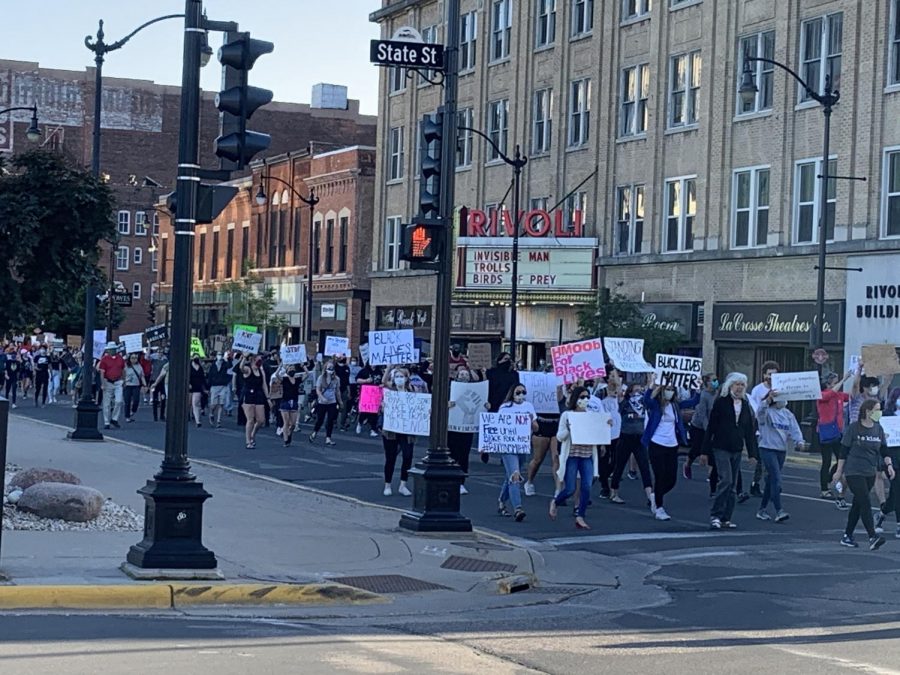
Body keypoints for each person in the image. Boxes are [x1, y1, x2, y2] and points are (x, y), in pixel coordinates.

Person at [833, 399, 893, 550]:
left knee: (857, 505)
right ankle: (872, 536)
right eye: (877, 409)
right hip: (854, 471)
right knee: (865, 500)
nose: (879, 412)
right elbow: (844, 451)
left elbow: (884, 450)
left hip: (869, 471)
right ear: (868, 411)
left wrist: (889, 465)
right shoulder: (854, 428)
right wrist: (839, 471)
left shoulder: (878, 429)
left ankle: (847, 535)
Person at [703, 372, 758, 530]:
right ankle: (716, 514)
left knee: (732, 485)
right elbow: (711, 427)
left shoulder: (746, 405)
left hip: (736, 449)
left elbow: (749, 432)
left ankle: (726, 518)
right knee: (725, 480)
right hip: (721, 447)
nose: (739, 387)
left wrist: (752, 454)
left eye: (742, 385)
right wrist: (704, 451)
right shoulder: (721, 403)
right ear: (730, 386)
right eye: (737, 384)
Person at [642, 374, 696, 521]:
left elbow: (693, 401)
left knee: (671, 479)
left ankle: (654, 496)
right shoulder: (655, 405)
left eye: (672, 389)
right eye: (667, 389)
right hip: (656, 444)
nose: (670, 391)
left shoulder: (675, 405)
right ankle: (659, 507)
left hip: (672, 445)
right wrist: (653, 386)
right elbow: (646, 400)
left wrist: (697, 386)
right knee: (660, 475)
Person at [550, 386, 600, 530]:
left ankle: (580, 516)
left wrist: (606, 426)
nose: (585, 400)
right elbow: (559, 436)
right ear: (575, 399)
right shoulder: (567, 415)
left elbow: (598, 432)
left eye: (587, 397)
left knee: (587, 487)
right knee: (570, 488)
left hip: (587, 455)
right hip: (571, 455)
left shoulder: (591, 415)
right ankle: (555, 502)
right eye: (582, 397)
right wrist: (569, 429)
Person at [756, 392, 806, 523]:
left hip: (781, 451)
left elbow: (794, 429)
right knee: (776, 478)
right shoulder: (767, 412)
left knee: (771, 480)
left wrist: (799, 441)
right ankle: (779, 510)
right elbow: (760, 412)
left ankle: (762, 509)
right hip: (767, 448)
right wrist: (767, 400)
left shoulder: (788, 414)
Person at [494, 383, 537, 522]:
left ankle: (501, 501)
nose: (521, 395)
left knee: (510, 476)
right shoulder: (505, 408)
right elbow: (498, 426)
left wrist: (531, 421)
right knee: (515, 475)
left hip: (523, 446)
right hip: (508, 446)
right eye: (518, 392)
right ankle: (518, 508)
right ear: (512, 393)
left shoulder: (529, 406)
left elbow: (536, 428)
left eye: (523, 392)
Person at [610, 381, 654, 507]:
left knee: (645, 467)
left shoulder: (643, 403)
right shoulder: (624, 403)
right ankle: (614, 492)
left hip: (639, 438)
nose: (637, 394)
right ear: (629, 392)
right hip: (625, 437)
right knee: (619, 465)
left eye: (639, 391)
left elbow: (650, 395)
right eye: (635, 391)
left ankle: (650, 496)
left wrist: (652, 380)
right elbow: (619, 395)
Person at [816, 370, 853, 505]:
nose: (837, 384)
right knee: (826, 461)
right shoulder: (822, 395)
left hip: (837, 432)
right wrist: (844, 379)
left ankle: (829, 478)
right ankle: (824, 489)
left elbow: (850, 396)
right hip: (825, 431)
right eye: (835, 381)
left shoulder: (838, 395)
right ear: (828, 383)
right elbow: (830, 394)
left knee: (842, 459)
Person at [447, 366, 485, 495]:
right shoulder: (449, 388)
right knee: (451, 454)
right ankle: (450, 480)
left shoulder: (476, 390)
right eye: (461, 374)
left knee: (464, 455)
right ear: (456, 375)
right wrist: (447, 404)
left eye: (466, 374)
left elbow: (482, 403)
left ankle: (461, 482)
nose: (463, 376)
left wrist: (486, 405)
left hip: (467, 428)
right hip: (452, 427)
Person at [747, 361, 779, 496]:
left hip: (775, 428)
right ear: (764, 374)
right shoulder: (757, 390)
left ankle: (768, 485)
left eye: (774, 375)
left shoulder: (780, 387)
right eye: (769, 374)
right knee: (763, 459)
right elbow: (756, 408)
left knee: (772, 460)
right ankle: (757, 484)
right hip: (761, 429)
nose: (771, 377)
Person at [381, 368, 415, 497]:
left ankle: (403, 485)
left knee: (407, 456)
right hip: (391, 430)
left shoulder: (412, 392)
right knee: (391, 457)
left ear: (406, 378)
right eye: (397, 376)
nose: (399, 379)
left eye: (402, 376)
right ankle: (387, 484)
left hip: (407, 430)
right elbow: (384, 383)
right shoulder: (390, 393)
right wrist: (384, 407)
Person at [684, 374, 718, 480]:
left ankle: (711, 475)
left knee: (712, 451)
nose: (716, 382)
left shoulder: (717, 394)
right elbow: (702, 415)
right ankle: (687, 465)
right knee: (697, 449)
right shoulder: (703, 395)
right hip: (698, 426)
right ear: (707, 382)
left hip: (712, 425)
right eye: (713, 380)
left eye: (716, 380)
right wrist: (708, 431)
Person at [310, 359, 342, 446]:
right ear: (325, 368)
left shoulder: (336, 379)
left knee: (330, 420)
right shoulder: (321, 378)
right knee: (320, 419)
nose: (330, 369)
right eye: (329, 367)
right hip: (322, 402)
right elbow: (318, 390)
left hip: (332, 402)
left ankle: (328, 438)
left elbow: (337, 391)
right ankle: (314, 432)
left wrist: (340, 401)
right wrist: (322, 398)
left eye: (332, 368)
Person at [240, 356, 268, 449]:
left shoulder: (261, 371)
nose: (260, 361)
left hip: (258, 395)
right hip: (248, 395)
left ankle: (253, 434)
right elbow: (241, 368)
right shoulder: (248, 369)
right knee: (250, 419)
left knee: (261, 420)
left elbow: (264, 384)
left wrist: (268, 397)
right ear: (253, 360)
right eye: (258, 360)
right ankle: (248, 441)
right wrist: (244, 357)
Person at [98, 342, 125, 430]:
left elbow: (123, 369)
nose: (112, 351)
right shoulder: (104, 359)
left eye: (113, 349)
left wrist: (123, 379)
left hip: (118, 381)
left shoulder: (120, 359)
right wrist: (102, 383)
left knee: (119, 401)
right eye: (111, 349)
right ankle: (106, 421)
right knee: (106, 403)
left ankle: (114, 418)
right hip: (108, 381)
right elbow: (102, 372)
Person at [355, 362, 382, 437]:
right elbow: (357, 379)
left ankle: (373, 429)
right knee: (364, 412)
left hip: (375, 395)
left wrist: (381, 385)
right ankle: (360, 423)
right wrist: (365, 381)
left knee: (374, 413)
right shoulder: (364, 371)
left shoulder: (379, 372)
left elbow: (382, 381)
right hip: (366, 395)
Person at [206, 352, 232, 428]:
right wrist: (208, 387)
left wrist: (229, 358)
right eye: (219, 355)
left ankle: (218, 421)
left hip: (223, 386)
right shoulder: (213, 365)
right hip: (214, 386)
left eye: (221, 355)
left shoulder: (225, 364)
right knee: (213, 404)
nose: (220, 356)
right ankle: (211, 413)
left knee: (221, 404)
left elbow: (230, 367)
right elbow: (210, 376)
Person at [279, 364, 302, 447]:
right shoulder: (284, 379)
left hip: (294, 401)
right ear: (287, 370)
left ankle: (289, 434)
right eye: (290, 368)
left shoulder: (297, 379)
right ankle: (286, 440)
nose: (292, 370)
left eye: (293, 368)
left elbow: (307, 374)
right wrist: (281, 366)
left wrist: (303, 366)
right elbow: (278, 375)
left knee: (293, 424)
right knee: (286, 422)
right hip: (285, 401)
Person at [122, 353, 146, 423]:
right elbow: (122, 375)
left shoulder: (139, 366)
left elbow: (142, 376)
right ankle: (127, 417)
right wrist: (123, 382)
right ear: (129, 358)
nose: (134, 359)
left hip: (136, 385)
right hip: (127, 385)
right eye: (132, 358)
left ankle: (133, 410)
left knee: (136, 400)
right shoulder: (126, 366)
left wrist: (145, 384)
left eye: (135, 358)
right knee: (127, 401)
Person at [188, 354, 207, 428]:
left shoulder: (200, 368)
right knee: (189, 403)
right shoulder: (189, 366)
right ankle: (188, 414)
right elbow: (187, 375)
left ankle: (197, 420)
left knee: (195, 403)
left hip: (197, 387)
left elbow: (203, 378)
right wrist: (188, 383)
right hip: (189, 387)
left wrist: (204, 388)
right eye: (195, 357)